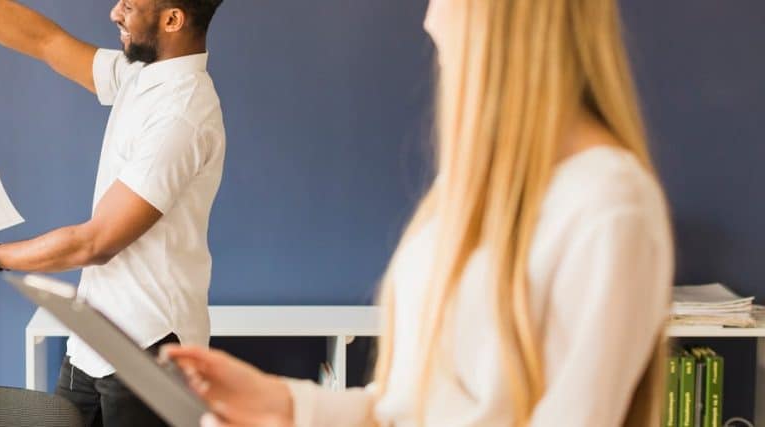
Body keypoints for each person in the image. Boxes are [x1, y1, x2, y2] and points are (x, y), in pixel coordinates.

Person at [164, 0, 673, 426]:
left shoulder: (607, 207)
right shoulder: (472, 187)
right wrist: (285, 405)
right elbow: (411, 411)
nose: (431, 17)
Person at [0, 0, 226, 425]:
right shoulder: (139, 76)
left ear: (172, 19)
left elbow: (96, 242)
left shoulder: (182, 113)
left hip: (150, 350)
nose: (115, 12)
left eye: (130, 5)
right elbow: (45, 41)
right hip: (94, 341)